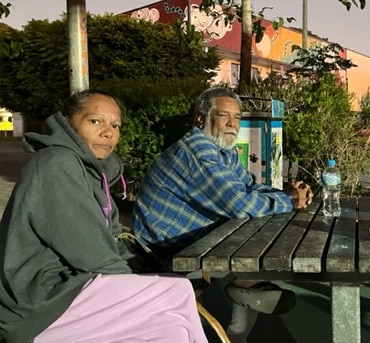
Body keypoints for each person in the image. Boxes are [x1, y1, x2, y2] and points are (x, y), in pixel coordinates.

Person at [0, 90, 208, 343]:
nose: (108, 132)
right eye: (95, 121)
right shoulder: (55, 164)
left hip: (75, 286)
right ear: (68, 122)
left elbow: (112, 240)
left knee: (171, 327)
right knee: (176, 292)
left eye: (115, 125)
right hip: (40, 303)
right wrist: (137, 284)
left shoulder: (94, 174)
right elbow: (90, 250)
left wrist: (149, 269)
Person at [132, 87, 313, 342]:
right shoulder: (198, 150)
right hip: (166, 253)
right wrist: (289, 201)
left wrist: (286, 193)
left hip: (199, 241)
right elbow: (238, 204)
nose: (232, 124)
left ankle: (245, 293)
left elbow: (248, 185)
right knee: (253, 251)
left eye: (237, 118)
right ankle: (246, 287)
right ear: (201, 118)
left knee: (253, 249)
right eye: (223, 116)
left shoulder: (222, 151)